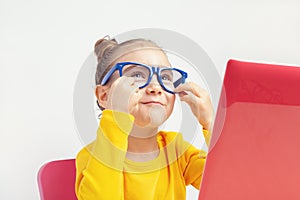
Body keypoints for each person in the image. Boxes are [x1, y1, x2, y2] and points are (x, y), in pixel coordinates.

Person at [75, 36, 214, 200]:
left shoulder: (178, 151)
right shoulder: (91, 157)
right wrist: (117, 116)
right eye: (137, 75)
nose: (155, 87)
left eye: (165, 77)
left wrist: (211, 123)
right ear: (104, 96)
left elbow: (231, 185)